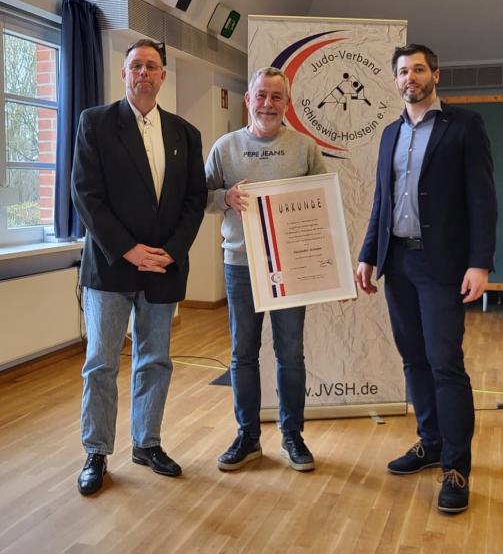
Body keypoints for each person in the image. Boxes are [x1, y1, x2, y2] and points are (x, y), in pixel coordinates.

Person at [355, 44, 497, 514]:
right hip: (397, 264)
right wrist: (368, 255)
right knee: (414, 360)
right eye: (402, 71)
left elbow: (482, 199)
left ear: (436, 75)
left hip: (443, 267)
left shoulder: (464, 126)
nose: (410, 77)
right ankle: (430, 442)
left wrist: (480, 263)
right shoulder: (389, 134)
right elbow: (382, 201)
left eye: (418, 69)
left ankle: (456, 467)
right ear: (395, 80)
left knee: (444, 364)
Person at [71, 39, 207, 495]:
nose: (143, 73)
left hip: (163, 268)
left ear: (163, 76)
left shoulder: (186, 134)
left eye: (151, 66)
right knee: (100, 363)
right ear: (124, 73)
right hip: (111, 267)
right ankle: (96, 452)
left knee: (155, 360)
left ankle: (147, 443)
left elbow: (194, 200)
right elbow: (86, 195)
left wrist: (173, 249)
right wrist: (128, 249)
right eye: (136, 66)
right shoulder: (95, 123)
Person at [205, 66, 327, 472]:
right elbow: (200, 197)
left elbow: (322, 201)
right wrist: (226, 197)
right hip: (241, 265)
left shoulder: (305, 148)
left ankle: (292, 435)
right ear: (248, 100)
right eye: (261, 95)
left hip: (292, 267)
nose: (268, 104)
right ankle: (248, 436)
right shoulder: (225, 147)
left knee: (290, 353)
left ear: (287, 103)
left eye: (276, 97)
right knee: (243, 353)